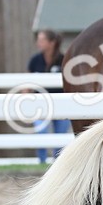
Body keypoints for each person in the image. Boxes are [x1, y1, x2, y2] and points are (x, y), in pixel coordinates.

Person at [26, 29, 68, 164]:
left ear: (52, 42)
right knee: (41, 132)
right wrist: (25, 98)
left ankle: (58, 164)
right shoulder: (35, 60)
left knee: (60, 137)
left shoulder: (63, 60)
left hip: (61, 103)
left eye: (42, 40)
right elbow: (28, 81)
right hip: (40, 103)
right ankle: (42, 162)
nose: (39, 43)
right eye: (38, 40)